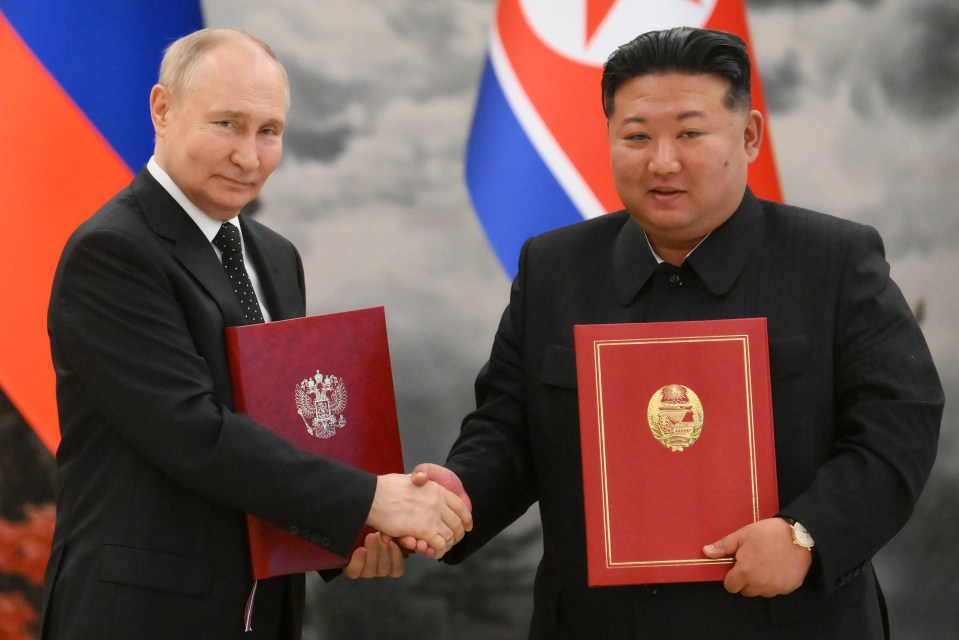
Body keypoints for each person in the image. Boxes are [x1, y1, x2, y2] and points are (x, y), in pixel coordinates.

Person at [410, 26, 942, 639]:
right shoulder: (555, 268)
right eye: (637, 137)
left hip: (791, 621)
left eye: (690, 133)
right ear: (608, 136)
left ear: (749, 136)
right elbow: (508, 429)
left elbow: (900, 426)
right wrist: (454, 495)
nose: (662, 162)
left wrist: (807, 535)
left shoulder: (833, 260)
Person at [40, 28, 470, 640]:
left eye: (269, 131)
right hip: (142, 614)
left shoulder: (274, 255)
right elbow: (193, 433)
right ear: (162, 108)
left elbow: (285, 427)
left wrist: (351, 533)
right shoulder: (112, 252)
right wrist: (370, 499)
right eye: (227, 124)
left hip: (263, 611)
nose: (250, 155)